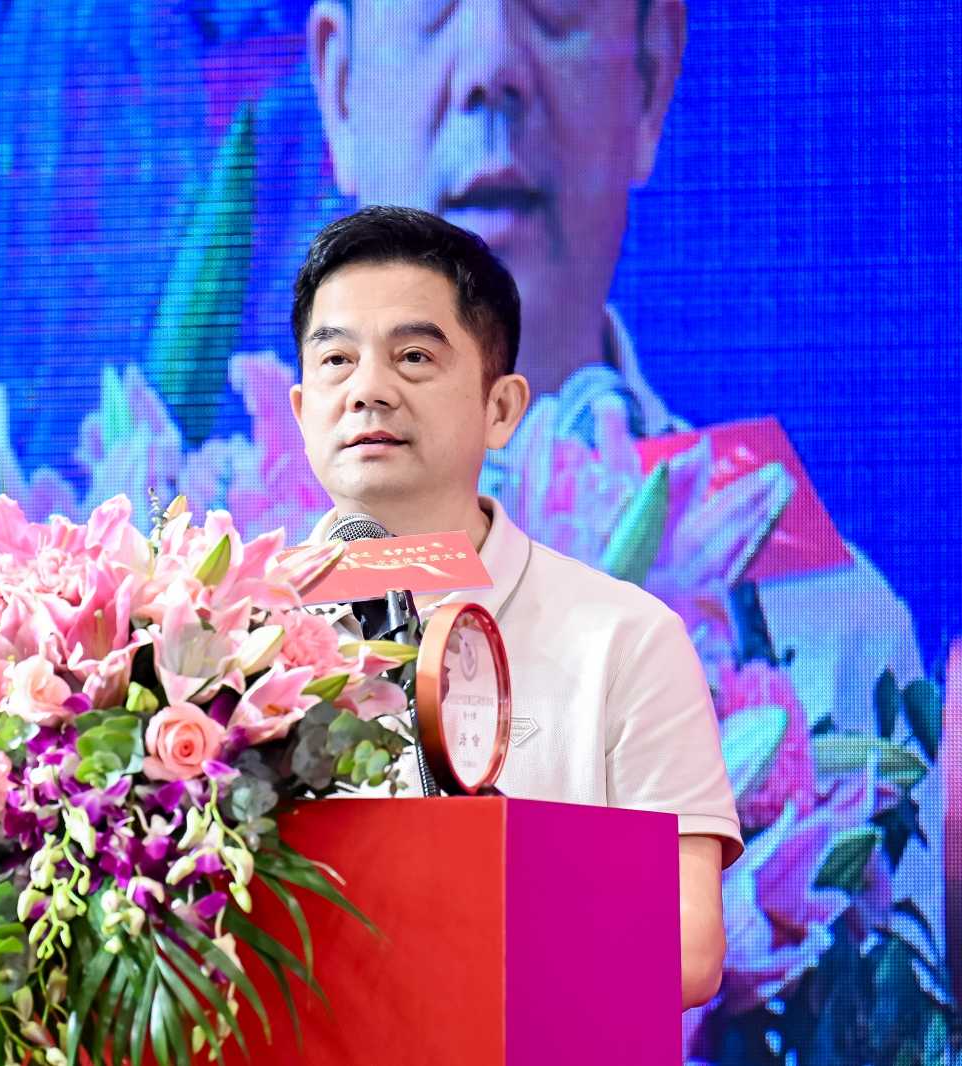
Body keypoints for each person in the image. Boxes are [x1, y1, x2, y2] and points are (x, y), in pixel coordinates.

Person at [300, 0, 932, 928]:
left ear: (650, 74)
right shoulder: (206, 612)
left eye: (551, 7)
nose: (491, 67)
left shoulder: (816, 616)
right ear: (340, 84)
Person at [288, 204, 736, 1008]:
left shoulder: (625, 638)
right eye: (336, 361)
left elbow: (686, 945)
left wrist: (432, 945)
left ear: (501, 409)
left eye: (414, 357)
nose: (368, 391)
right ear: (300, 410)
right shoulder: (223, 638)